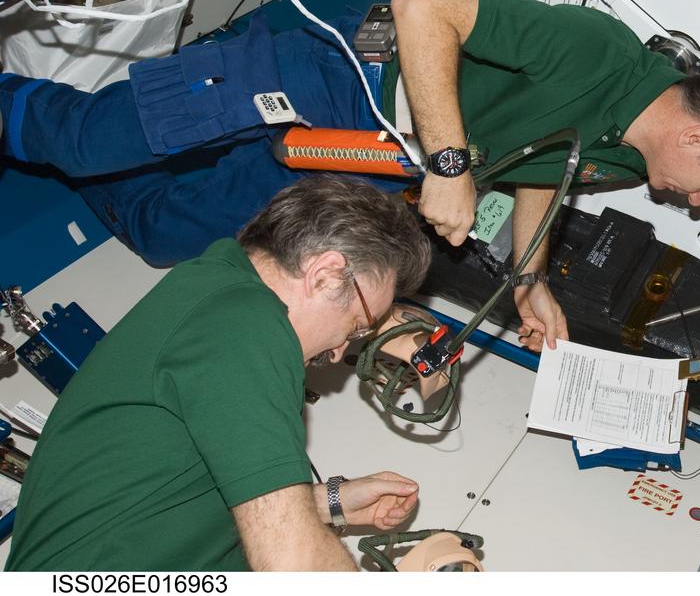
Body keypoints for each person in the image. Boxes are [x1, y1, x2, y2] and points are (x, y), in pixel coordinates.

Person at [0, 0, 700, 350]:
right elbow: (423, 12)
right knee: (81, 140)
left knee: (166, 235)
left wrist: (529, 280)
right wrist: (450, 165)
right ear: (699, 138)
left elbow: (540, 172)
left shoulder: (629, 161)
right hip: (339, 77)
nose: (697, 204)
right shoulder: (595, 50)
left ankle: (90, 164)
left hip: (370, 161)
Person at [4, 175, 432, 571]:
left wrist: (330, 503)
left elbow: (196, 505)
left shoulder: (213, 303)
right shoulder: (246, 319)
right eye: (356, 326)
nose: (339, 352)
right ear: (325, 275)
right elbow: (294, 564)